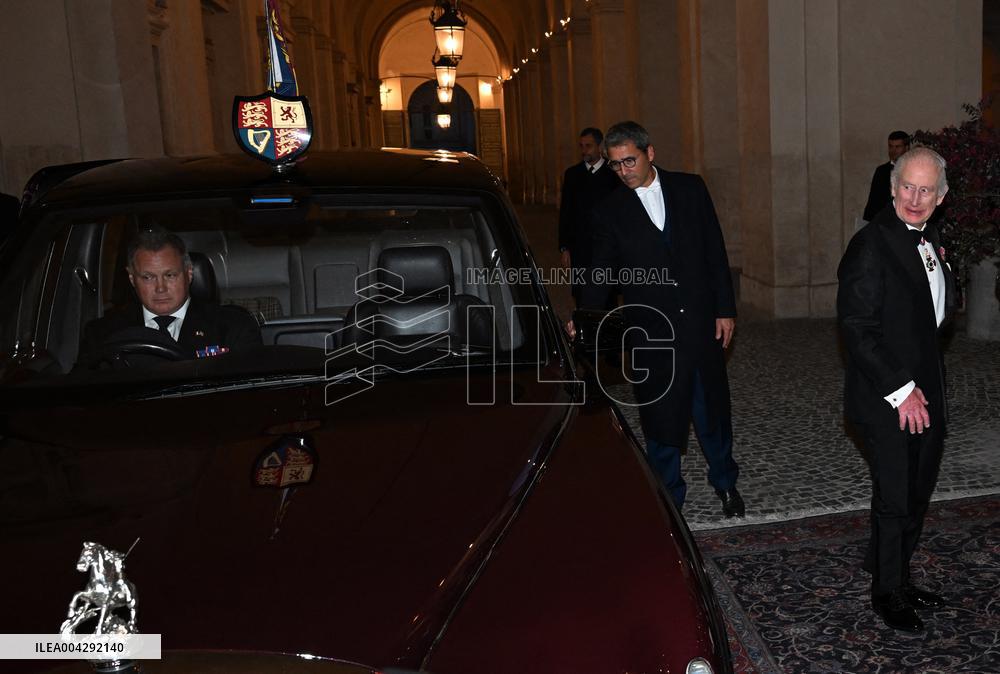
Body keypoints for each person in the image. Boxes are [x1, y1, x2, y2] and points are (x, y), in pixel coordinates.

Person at [576, 120, 743, 517]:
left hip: (701, 322)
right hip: (651, 330)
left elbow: (714, 251)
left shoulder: (691, 188)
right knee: (660, 418)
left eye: (629, 161)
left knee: (711, 413)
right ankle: (669, 496)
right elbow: (600, 271)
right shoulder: (609, 211)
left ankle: (725, 483)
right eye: (615, 165)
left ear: (650, 153)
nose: (623, 171)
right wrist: (584, 315)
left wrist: (725, 308)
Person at [837, 147, 956, 633]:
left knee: (918, 491)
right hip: (887, 396)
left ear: (941, 197)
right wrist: (901, 389)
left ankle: (898, 575)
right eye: (907, 186)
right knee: (895, 497)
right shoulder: (871, 244)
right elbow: (857, 328)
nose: (915, 197)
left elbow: (935, 318)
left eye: (926, 189)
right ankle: (886, 592)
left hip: (926, 393)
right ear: (891, 186)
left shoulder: (930, 241)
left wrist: (942, 271)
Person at [78, 228, 261, 366]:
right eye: (148, 277)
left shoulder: (232, 328)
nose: (160, 288)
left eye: (170, 275)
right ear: (132, 279)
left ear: (189, 274)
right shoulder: (102, 334)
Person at [558, 127, 621, 306]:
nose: (584, 150)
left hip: (606, 244)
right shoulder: (572, 174)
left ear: (600, 146)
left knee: (608, 294)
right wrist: (564, 247)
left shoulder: (613, 174)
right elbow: (566, 211)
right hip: (580, 246)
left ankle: (609, 331)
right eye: (581, 146)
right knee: (581, 293)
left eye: (589, 146)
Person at [863, 130, 910, 221]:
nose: (893, 151)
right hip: (884, 223)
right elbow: (873, 201)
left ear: (907, 148)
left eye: (897, 147)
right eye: (890, 146)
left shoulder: (915, 170)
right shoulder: (881, 171)